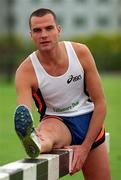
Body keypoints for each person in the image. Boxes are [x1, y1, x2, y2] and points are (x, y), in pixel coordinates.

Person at [14, 8, 111, 179]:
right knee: (46, 134)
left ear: (58, 30)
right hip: (57, 120)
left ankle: (39, 140)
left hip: (89, 121)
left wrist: (85, 147)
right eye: (37, 30)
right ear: (31, 35)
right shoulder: (25, 71)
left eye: (49, 28)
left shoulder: (80, 53)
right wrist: (27, 128)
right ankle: (36, 142)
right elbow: (24, 112)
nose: (43, 34)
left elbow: (101, 103)